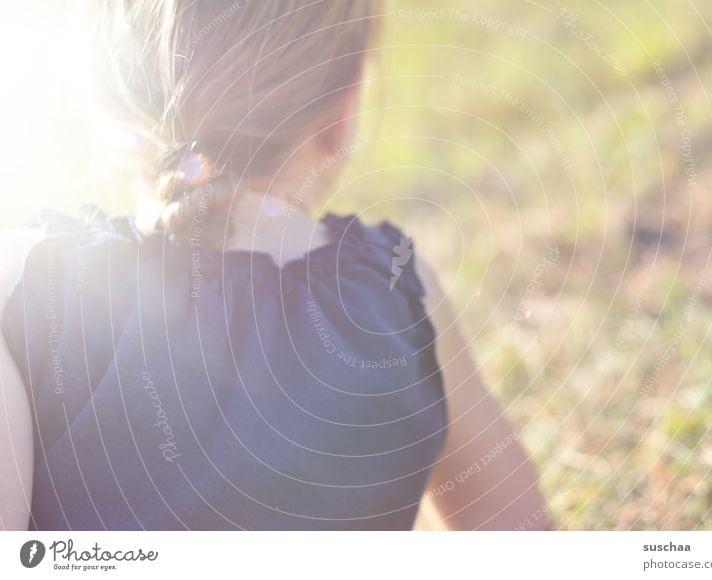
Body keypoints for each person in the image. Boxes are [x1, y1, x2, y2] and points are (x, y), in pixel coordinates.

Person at [0, 0, 548, 530]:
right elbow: (518, 531)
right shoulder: (398, 295)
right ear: (342, 112)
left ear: (111, 113)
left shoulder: (24, 291)